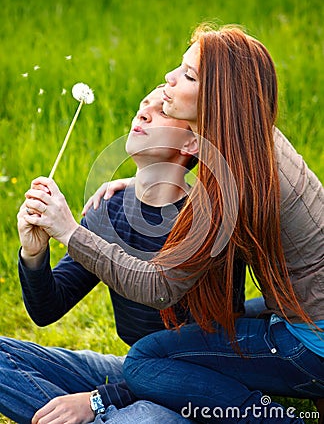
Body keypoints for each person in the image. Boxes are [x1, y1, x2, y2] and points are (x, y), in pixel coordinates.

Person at [21, 23, 323, 424]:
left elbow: (161, 287)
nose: (169, 79)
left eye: (189, 75)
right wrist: (151, 177)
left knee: (146, 359)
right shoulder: (253, 142)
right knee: (224, 326)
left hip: (309, 341)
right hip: (300, 317)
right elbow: (48, 305)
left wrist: (68, 231)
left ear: (220, 99)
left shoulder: (233, 183)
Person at [0, 86, 208, 424]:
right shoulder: (111, 208)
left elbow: (204, 359)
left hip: (189, 388)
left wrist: (99, 399)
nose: (142, 113)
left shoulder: (206, 221)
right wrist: (34, 254)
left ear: (191, 144)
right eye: (144, 104)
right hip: (131, 370)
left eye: (163, 111)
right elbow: (47, 309)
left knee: (145, 421)